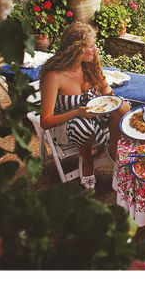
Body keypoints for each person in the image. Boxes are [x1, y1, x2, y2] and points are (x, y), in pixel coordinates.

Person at [39, 22, 131, 190]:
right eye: (91, 46)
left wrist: (113, 101)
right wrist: (77, 112)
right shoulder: (54, 76)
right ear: (76, 48)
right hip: (65, 124)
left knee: (123, 108)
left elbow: (108, 92)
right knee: (82, 125)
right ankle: (87, 161)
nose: (95, 49)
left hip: (91, 115)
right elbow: (45, 122)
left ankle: (113, 148)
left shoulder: (89, 64)